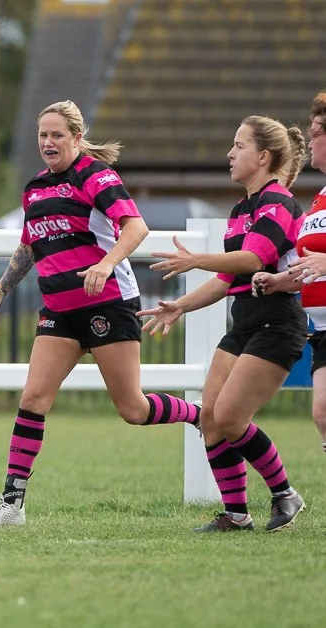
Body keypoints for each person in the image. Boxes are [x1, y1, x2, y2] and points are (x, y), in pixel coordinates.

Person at [0, 100, 202, 527]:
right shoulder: (35, 187)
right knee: (33, 399)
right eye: (42, 135)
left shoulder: (96, 176)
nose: (48, 142)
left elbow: (136, 227)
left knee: (133, 408)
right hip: (59, 311)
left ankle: (202, 416)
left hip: (108, 304)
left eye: (57, 134)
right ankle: (11, 505)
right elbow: (27, 248)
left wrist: (106, 262)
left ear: (77, 138)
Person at [142, 114, 310, 532]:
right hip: (244, 324)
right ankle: (236, 515)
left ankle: (286, 494)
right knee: (211, 419)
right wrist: (179, 305)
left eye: (238, 146)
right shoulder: (240, 209)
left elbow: (253, 260)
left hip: (278, 324)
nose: (229, 154)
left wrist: (194, 258)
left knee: (233, 417)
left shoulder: (279, 204)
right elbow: (227, 278)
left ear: (263, 156)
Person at [255, 92, 326, 457]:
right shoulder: (320, 198)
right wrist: (281, 281)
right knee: (323, 414)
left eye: (316, 131)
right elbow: (310, 266)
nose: (308, 140)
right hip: (323, 330)